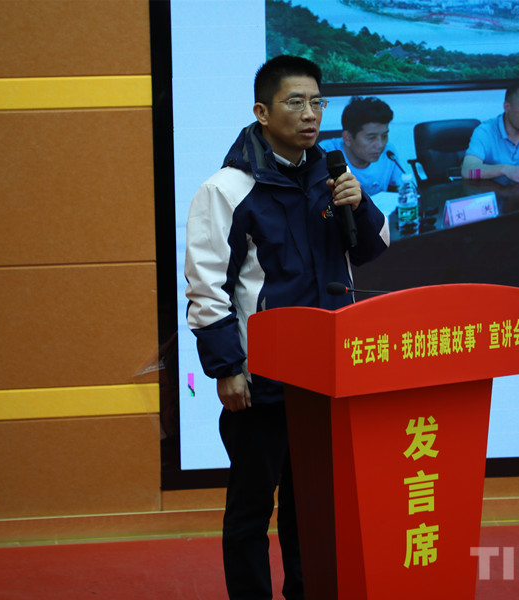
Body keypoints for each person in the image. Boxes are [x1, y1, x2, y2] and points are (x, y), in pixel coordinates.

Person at [184, 55, 389, 600]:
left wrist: (359, 205)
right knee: (252, 509)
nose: (310, 114)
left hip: (327, 374)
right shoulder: (227, 189)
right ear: (262, 111)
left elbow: (372, 250)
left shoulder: (333, 176)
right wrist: (227, 368)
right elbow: (207, 287)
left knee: (313, 507)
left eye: (317, 102)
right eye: (295, 102)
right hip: (263, 379)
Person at [319, 96, 406, 194]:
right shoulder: (325, 153)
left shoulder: (389, 152)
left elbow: (397, 191)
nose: (380, 145)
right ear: (348, 138)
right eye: (371, 138)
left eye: (384, 136)